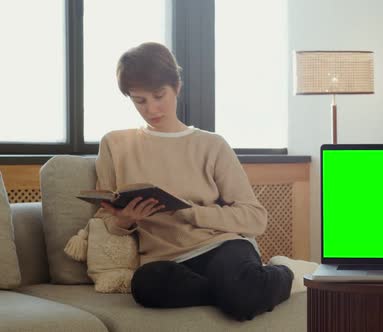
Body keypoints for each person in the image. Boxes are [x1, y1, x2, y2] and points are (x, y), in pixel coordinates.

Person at [93, 42, 293, 321]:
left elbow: (255, 218)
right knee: (144, 286)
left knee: (242, 302)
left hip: (220, 246)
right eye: (140, 100)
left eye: (158, 95)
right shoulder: (115, 144)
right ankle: (234, 289)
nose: (151, 109)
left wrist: (190, 211)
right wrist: (125, 220)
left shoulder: (211, 145)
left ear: (177, 86)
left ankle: (282, 273)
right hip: (168, 261)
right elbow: (106, 217)